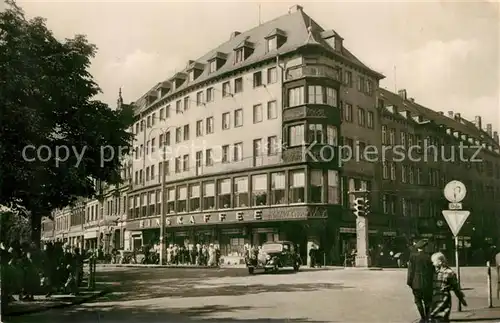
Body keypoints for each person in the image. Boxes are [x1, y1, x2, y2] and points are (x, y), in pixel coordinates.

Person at [429, 252, 467, 322]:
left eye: (434, 262)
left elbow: (456, 287)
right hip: (434, 299)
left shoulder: (449, 272)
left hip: (444, 299)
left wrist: (461, 299)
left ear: (440, 262)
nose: (432, 264)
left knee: (442, 318)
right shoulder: (433, 272)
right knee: (433, 318)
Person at [407, 239, 434, 323]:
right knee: (428, 302)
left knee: (417, 301)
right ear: (425, 247)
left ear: (418, 248)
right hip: (427, 284)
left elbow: (410, 271)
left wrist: (409, 282)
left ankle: (423, 318)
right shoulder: (429, 257)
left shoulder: (413, 257)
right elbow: (433, 272)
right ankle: (428, 317)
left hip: (416, 283)